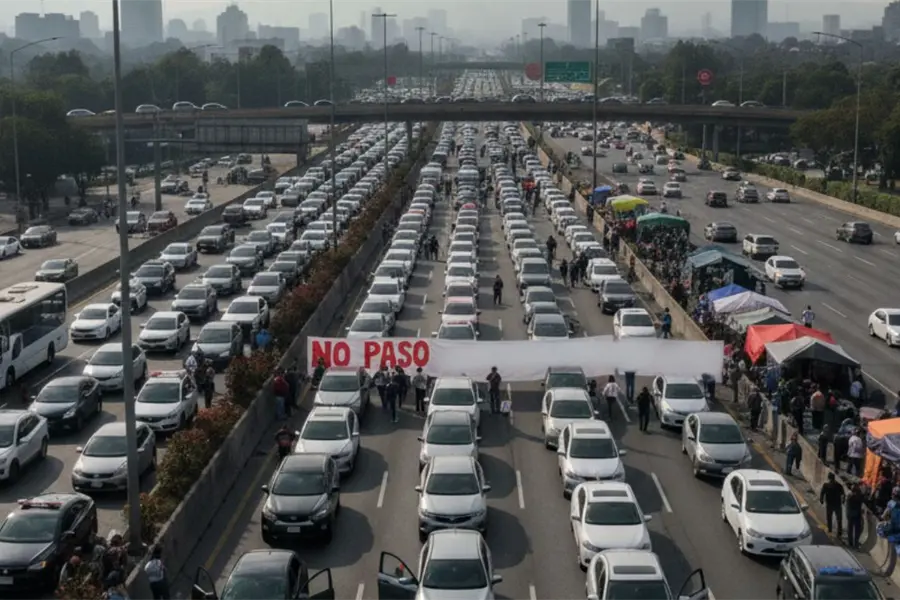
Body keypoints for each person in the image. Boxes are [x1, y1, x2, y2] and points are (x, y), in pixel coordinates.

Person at [818, 472, 845, 538]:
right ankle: (839, 532)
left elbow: (822, 493)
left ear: (829, 478)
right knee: (838, 519)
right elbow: (843, 494)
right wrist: (843, 501)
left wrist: (821, 500)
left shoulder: (826, 485)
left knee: (830, 518)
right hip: (837, 504)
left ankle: (830, 530)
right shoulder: (838, 485)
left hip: (830, 504)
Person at [846, 482, 864, 549]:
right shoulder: (851, 495)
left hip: (853, 514)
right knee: (854, 529)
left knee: (853, 529)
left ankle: (852, 542)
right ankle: (853, 543)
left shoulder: (851, 494)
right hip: (854, 514)